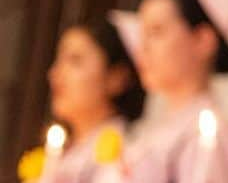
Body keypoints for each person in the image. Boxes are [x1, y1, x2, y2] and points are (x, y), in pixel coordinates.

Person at [124, 0, 228, 182]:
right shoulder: (155, 133)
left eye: (156, 32)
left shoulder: (209, 138)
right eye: (142, 35)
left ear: (203, 40)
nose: (142, 48)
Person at [16, 18, 145, 182]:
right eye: (59, 60)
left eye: (75, 61)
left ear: (116, 77)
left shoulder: (129, 155)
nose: (56, 74)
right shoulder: (58, 157)